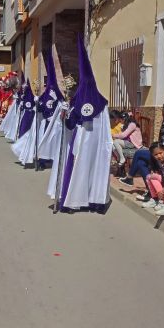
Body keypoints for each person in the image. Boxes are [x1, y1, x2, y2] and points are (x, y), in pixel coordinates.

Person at [48, 34, 112, 213]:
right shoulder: (102, 104)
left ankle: (72, 201)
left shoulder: (78, 101)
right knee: (94, 169)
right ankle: (95, 201)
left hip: (80, 142)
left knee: (76, 169)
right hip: (97, 146)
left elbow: (70, 124)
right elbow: (105, 131)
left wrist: (65, 115)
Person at [118, 101, 164, 196]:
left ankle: (130, 177)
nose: (162, 110)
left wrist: (155, 151)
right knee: (140, 162)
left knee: (139, 154)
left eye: (163, 108)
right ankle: (151, 190)